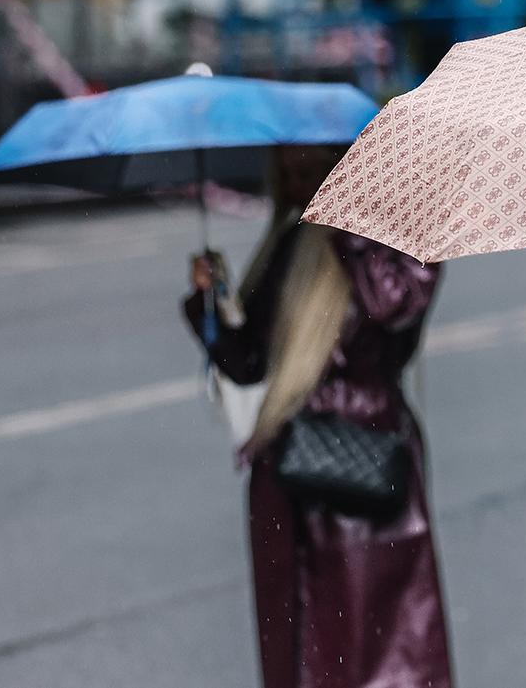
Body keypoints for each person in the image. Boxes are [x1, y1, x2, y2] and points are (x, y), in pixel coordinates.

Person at [183, 146, 453, 688]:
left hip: (363, 465)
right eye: (283, 163)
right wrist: (210, 303)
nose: (292, 172)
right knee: (297, 645)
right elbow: (251, 362)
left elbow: (394, 307)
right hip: (289, 475)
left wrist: (348, 223)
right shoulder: (291, 240)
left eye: (305, 160)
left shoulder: (397, 236)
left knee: (379, 649)